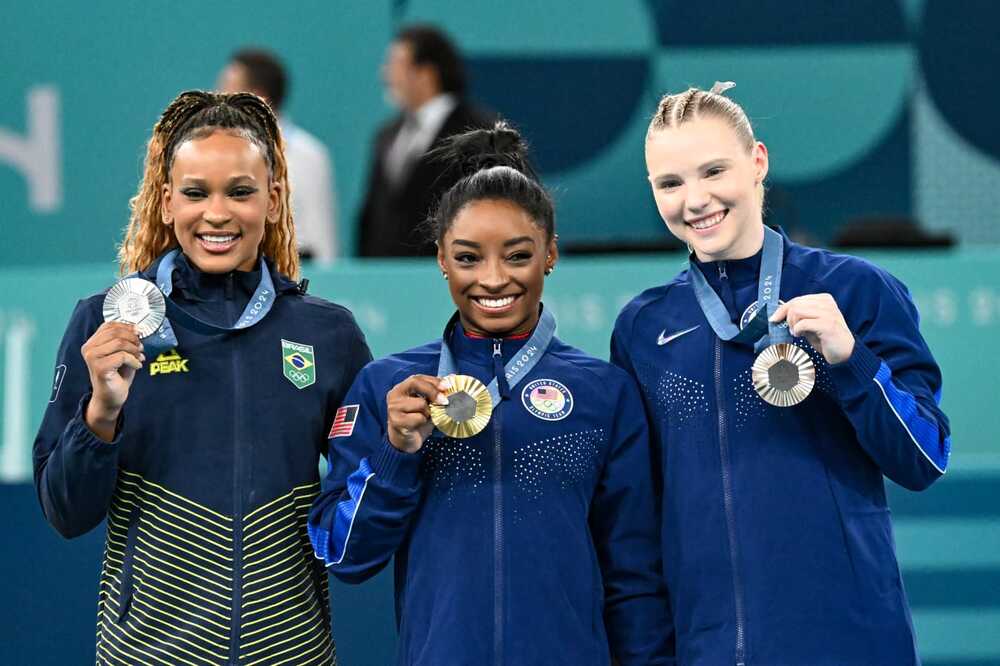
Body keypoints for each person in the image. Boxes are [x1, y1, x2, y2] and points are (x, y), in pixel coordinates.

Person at [612, 82, 952, 664]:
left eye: (713, 171)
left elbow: (924, 460)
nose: (695, 200)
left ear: (757, 162)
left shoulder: (855, 289)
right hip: (707, 650)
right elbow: (637, 520)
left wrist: (851, 359)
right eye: (671, 183)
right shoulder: (644, 327)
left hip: (848, 644)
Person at [310, 123, 672, 664]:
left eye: (518, 256)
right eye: (468, 257)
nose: (494, 279)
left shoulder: (604, 393)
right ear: (440, 258)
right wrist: (395, 453)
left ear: (550, 253)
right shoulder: (390, 387)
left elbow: (635, 575)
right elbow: (343, 554)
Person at [33, 90, 370, 665]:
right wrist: (101, 414)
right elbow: (67, 513)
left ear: (273, 199)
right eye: (196, 193)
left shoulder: (327, 335)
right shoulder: (106, 323)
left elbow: (358, 524)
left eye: (240, 192)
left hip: (290, 653)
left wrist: (397, 450)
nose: (217, 213)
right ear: (166, 202)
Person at [357, 24, 493, 257]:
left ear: (426, 73)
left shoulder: (480, 134)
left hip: (447, 279)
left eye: (395, 65)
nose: (385, 74)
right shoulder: (386, 136)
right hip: (384, 281)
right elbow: (373, 216)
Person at [219, 48, 339, 263]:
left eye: (227, 91)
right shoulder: (213, 153)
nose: (218, 100)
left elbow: (322, 243)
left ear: (257, 98)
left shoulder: (309, 155)